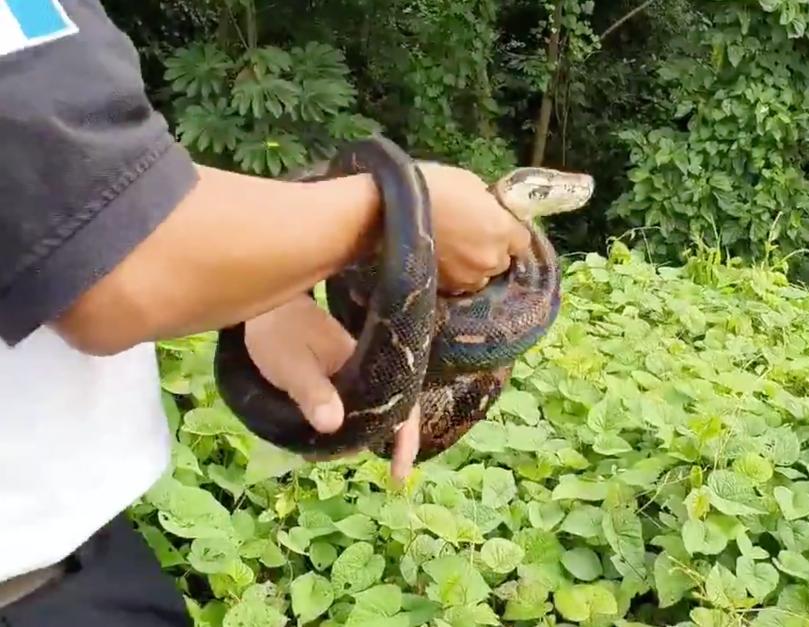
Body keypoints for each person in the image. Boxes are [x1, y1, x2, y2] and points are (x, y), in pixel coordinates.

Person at [0, 1, 531, 624]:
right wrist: (402, 214)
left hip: (82, 548)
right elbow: (110, 265)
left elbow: (90, 185)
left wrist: (262, 293)